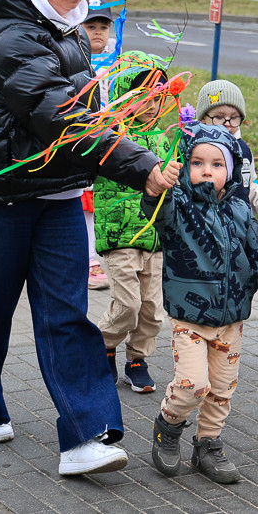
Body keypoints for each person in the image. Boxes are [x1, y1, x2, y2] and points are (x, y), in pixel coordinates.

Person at [0, 0, 180, 476]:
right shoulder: (12, 32)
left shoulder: (65, 23)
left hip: (54, 196)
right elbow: (63, 119)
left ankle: (85, 437)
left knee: (66, 316)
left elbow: (85, 117)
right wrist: (141, 167)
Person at [143, 123, 258, 485]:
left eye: (217, 164)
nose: (206, 171)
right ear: (186, 166)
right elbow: (157, 213)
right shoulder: (179, 205)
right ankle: (168, 427)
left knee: (221, 388)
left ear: (229, 170)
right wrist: (161, 188)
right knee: (192, 384)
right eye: (198, 162)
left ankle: (207, 445)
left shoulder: (240, 210)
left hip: (231, 319)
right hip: (190, 316)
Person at [95, 61, 172, 393]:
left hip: (154, 238)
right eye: (142, 96)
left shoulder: (163, 138)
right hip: (119, 235)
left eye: (157, 98)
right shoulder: (110, 136)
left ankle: (137, 358)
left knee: (153, 311)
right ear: (123, 96)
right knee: (128, 305)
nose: (151, 105)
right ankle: (103, 345)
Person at [196, 79, 258, 215]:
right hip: (204, 227)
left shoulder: (243, 151)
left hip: (239, 227)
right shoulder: (194, 151)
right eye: (219, 117)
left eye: (234, 117)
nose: (227, 123)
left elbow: (247, 189)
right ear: (203, 118)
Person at [82, 0, 115, 289]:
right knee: (82, 202)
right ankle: (88, 258)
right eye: (90, 26)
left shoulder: (115, 64)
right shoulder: (71, 58)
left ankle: (94, 254)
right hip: (77, 140)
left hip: (106, 140)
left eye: (103, 26)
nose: (97, 32)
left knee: (94, 201)